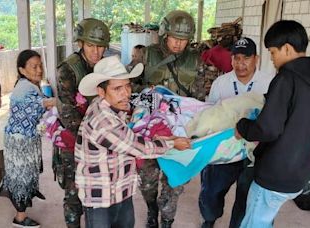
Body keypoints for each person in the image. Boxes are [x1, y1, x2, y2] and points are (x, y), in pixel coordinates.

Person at [75, 55, 191, 228]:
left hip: (120, 189)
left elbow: (132, 136)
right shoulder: (103, 121)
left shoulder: (111, 107)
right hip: (100, 197)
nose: (126, 93)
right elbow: (138, 147)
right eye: (117, 88)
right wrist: (173, 143)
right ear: (101, 91)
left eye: (128, 86)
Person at [235, 20, 310, 228]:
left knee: (254, 222)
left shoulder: (286, 78)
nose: (272, 59)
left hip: (275, 173)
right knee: (265, 219)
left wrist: (243, 127)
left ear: (287, 48)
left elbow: (268, 128)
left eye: (273, 52)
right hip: (299, 172)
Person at [199, 37, 273, 228]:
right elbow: (210, 116)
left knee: (246, 195)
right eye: (236, 58)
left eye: (246, 58)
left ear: (256, 58)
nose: (240, 64)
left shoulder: (269, 83)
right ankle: (209, 219)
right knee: (211, 191)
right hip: (224, 149)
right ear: (231, 60)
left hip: (254, 152)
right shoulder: (221, 83)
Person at [141, 10, 202, 228]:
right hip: (152, 130)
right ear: (165, 34)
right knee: (147, 181)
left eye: (184, 40)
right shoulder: (147, 55)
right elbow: (130, 88)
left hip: (179, 130)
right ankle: (151, 211)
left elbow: (200, 97)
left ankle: (167, 221)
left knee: (174, 182)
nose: (178, 44)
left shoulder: (196, 60)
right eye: (175, 38)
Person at [55, 18, 110, 228]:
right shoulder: (68, 70)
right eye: (90, 45)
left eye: (100, 46)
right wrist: (96, 136)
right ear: (81, 44)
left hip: (100, 140)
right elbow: (67, 114)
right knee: (73, 195)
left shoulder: (105, 66)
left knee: (97, 194)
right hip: (75, 141)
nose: (96, 51)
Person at [0, 50, 56, 227]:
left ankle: (23, 196)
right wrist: (60, 101)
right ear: (22, 70)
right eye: (34, 67)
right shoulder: (25, 87)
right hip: (20, 142)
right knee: (21, 179)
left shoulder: (29, 85)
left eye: (40, 66)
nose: (39, 70)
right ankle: (20, 218)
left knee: (24, 175)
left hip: (23, 140)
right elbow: (39, 104)